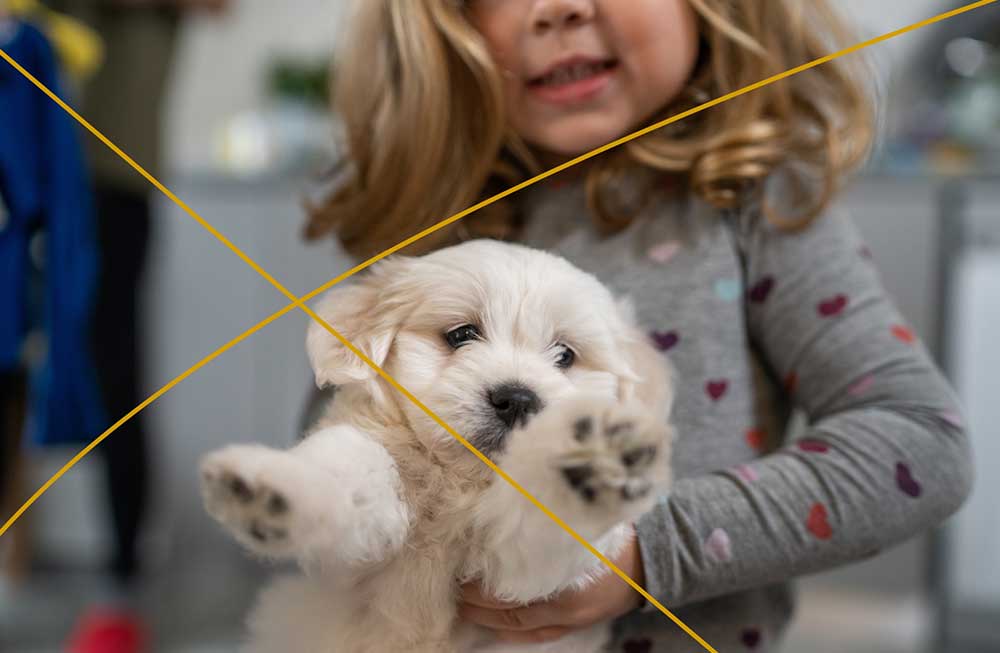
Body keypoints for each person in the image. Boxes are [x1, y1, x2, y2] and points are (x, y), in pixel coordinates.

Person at [303, 1, 974, 650]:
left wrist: (646, 552)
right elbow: (324, 449)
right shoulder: (432, 219)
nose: (557, 9)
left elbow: (919, 440)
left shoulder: (759, 199)